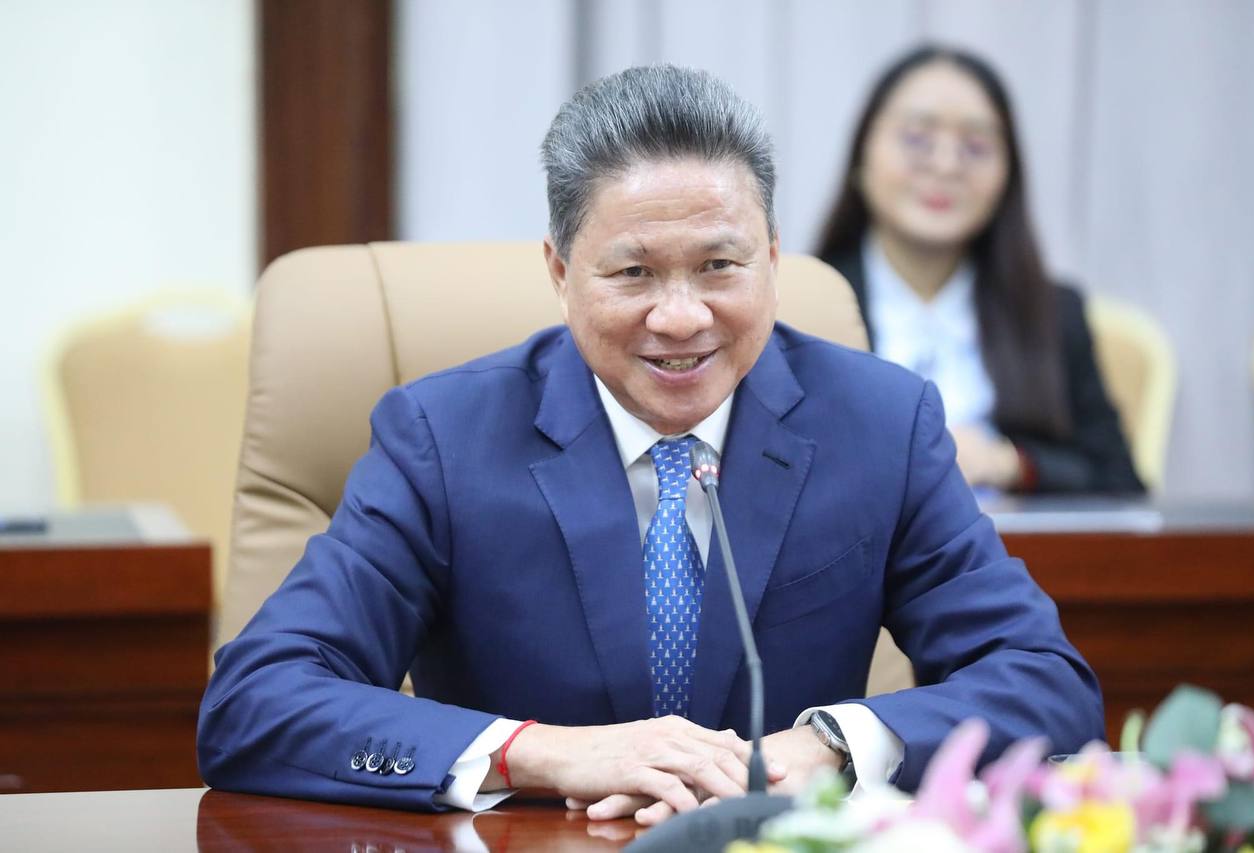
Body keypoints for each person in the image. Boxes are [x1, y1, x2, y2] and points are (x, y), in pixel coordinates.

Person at [198, 64, 1102, 825]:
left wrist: (829, 746)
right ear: (560, 271)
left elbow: (1046, 684)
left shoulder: (880, 424)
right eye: (633, 272)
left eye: (719, 266)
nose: (680, 317)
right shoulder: (442, 438)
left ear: (773, 258)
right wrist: (539, 752)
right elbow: (255, 701)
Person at [817, 45, 1145, 495]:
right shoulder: (802, 304)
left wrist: (1009, 463)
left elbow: (1122, 486)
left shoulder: (1052, 313)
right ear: (861, 156)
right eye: (916, 138)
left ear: (1008, 174)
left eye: (975, 147)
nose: (946, 165)